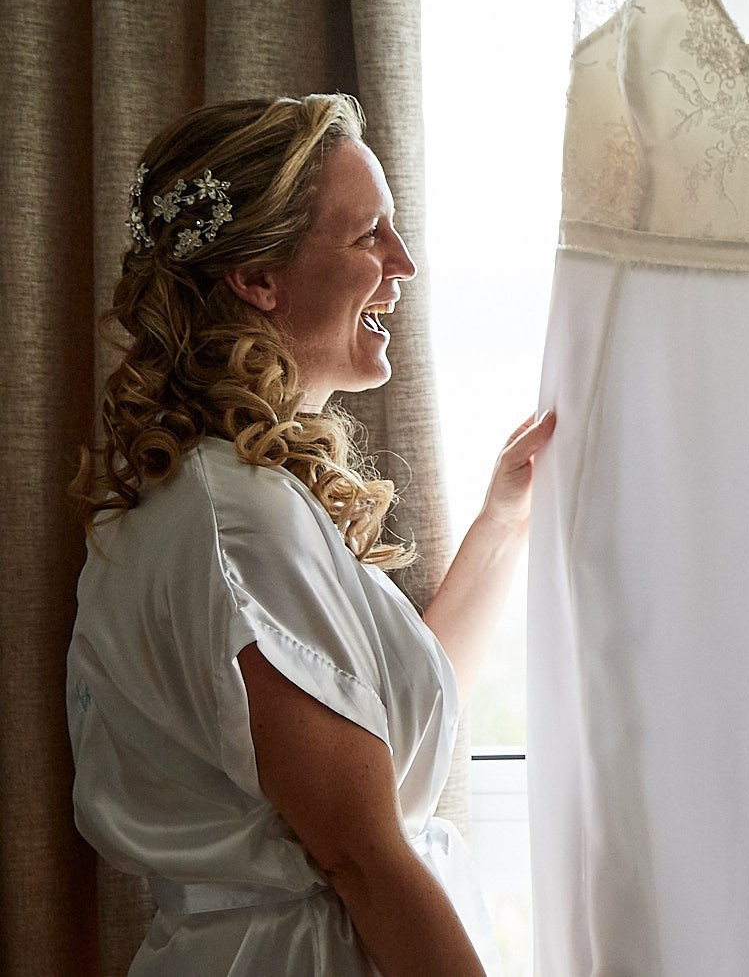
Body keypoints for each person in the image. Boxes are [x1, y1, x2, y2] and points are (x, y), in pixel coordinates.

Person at [67, 95, 553, 976]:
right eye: (370, 234)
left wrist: (503, 522)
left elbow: (365, 748)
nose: (404, 263)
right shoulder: (241, 518)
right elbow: (362, 857)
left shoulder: (227, 499)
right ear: (258, 276)